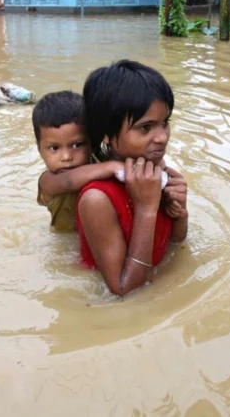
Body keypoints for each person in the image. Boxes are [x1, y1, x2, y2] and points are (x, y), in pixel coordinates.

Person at [76, 60, 188, 297]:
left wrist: (180, 211)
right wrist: (147, 207)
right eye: (145, 128)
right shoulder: (97, 199)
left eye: (165, 123)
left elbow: (174, 244)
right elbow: (124, 290)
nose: (162, 137)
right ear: (107, 135)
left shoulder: (155, 168)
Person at [33, 91, 124, 232]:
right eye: (54, 148)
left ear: (92, 143)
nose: (66, 157)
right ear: (39, 150)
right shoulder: (48, 181)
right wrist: (113, 167)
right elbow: (69, 181)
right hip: (65, 242)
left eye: (76, 145)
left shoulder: (99, 163)